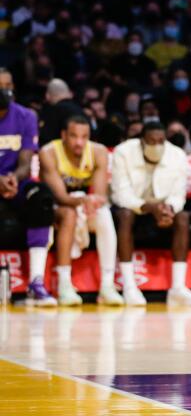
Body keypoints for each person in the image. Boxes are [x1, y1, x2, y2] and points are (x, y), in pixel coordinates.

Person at [111, 121, 191, 307]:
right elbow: (121, 194)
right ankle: (129, 286)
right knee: (125, 215)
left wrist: (169, 209)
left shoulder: (177, 155)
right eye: (151, 141)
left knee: (183, 217)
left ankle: (177, 288)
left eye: (160, 140)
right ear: (141, 141)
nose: (156, 145)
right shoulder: (123, 152)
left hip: (162, 209)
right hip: (133, 209)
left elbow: (179, 194)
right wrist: (149, 208)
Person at [39, 116, 123, 306]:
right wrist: (83, 200)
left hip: (82, 203)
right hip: (54, 205)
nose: (79, 142)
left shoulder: (98, 152)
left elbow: (100, 195)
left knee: (104, 214)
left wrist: (91, 202)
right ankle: (64, 284)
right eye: (74, 136)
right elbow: (60, 196)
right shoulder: (49, 152)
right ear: (63, 135)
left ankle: (107, 286)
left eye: (84, 137)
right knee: (69, 214)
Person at [0, 69, 56, 306]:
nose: (5, 90)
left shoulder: (27, 116)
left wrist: (12, 178)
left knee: (41, 197)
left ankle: (36, 281)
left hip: (15, 182)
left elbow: (25, 161)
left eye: (8, 84)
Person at [38, 78, 85, 143]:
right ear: (69, 93)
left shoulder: (51, 112)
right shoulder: (81, 110)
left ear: (47, 96)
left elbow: (44, 139)